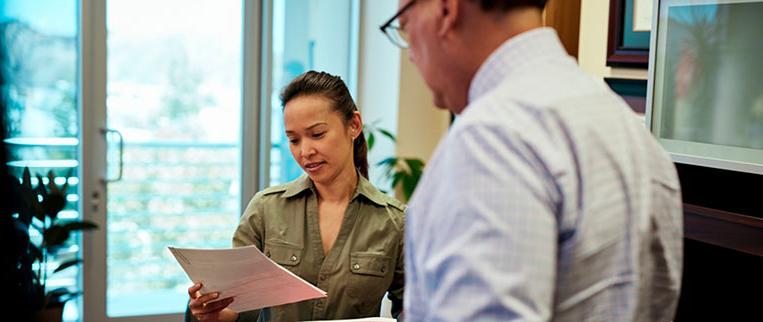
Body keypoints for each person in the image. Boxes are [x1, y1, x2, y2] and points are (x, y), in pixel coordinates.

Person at [381, 0, 683, 321]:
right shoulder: (628, 127)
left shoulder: (492, 136)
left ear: (446, 10)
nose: (410, 52)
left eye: (405, 24)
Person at [187, 71, 405, 322]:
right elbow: (237, 308)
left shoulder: (395, 222)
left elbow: (414, 307)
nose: (305, 151)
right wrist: (210, 313)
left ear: (354, 125)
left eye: (317, 134)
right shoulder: (266, 209)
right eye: (293, 139)